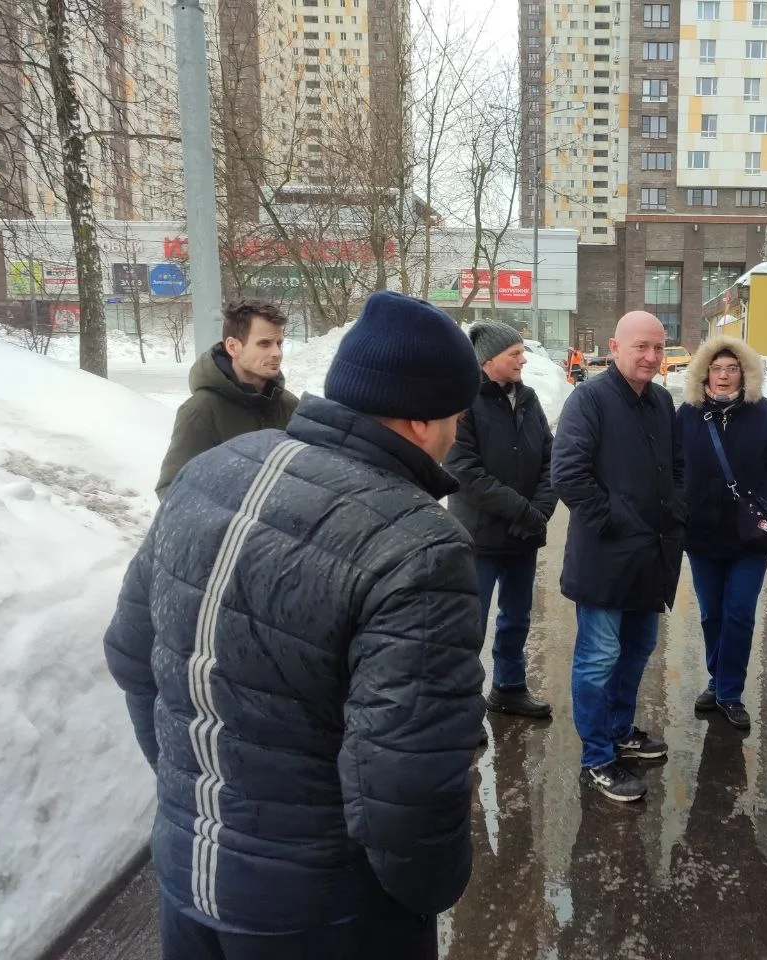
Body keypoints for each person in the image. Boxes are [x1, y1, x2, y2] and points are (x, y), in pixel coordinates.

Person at [104, 291, 486, 959]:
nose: (456, 434)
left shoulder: (212, 470)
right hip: (322, 910)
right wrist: (426, 893)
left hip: (188, 875)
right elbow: (406, 774)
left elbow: (133, 655)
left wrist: (190, 797)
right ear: (424, 421)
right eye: (457, 417)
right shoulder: (420, 545)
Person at [551, 311, 686, 803]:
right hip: (606, 558)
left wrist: (677, 509)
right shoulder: (589, 400)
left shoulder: (661, 401)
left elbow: (677, 466)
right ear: (614, 347)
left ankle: (619, 730)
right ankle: (597, 758)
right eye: (640, 346)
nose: (651, 356)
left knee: (637, 648)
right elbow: (568, 474)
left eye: (658, 346)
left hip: (651, 556)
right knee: (599, 658)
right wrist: (616, 521)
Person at [676, 335, 767, 730]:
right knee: (711, 612)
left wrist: (762, 500)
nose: (724, 376)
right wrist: (682, 504)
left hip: (750, 536)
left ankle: (729, 693)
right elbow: (673, 465)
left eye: (732, 369)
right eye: (717, 369)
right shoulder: (688, 414)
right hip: (702, 533)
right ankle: (717, 678)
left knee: (739, 612)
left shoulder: (761, 412)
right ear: (704, 373)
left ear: (744, 374)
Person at [445, 320, 557, 720]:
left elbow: (552, 459)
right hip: (479, 538)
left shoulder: (527, 398)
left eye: (522, 352)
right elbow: (465, 473)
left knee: (517, 619)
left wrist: (539, 511)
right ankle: (461, 707)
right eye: (515, 353)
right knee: (469, 625)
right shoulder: (463, 403)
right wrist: (526, 511)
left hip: (522, 535)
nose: (523, 360)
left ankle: (509, 688)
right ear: (488, 359)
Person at [156, 297, 298, 499]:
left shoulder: (289, 406)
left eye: (279, 343)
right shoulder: (201, 410)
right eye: (264, 344)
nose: (276, 353)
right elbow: (172, 490)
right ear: (233, 347)